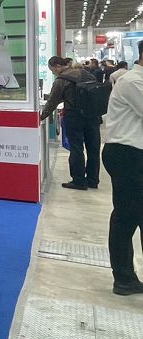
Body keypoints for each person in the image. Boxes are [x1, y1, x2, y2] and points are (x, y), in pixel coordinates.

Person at [102, 40, 143, 296]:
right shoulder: (133, 82)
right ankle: (124, 278)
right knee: (126, 216)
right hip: (127, 154)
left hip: (133, 154)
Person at [40, 56, 100, 190]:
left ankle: (78, 181)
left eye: (52, 70)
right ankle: (93, 180)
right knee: (93, 148)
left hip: (74, 116)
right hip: (93, 115)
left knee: (76, 148)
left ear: (57, 66)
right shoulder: (86, 73)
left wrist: (40, 117)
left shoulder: (61, 80)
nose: (53, 73)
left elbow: (52, 102)